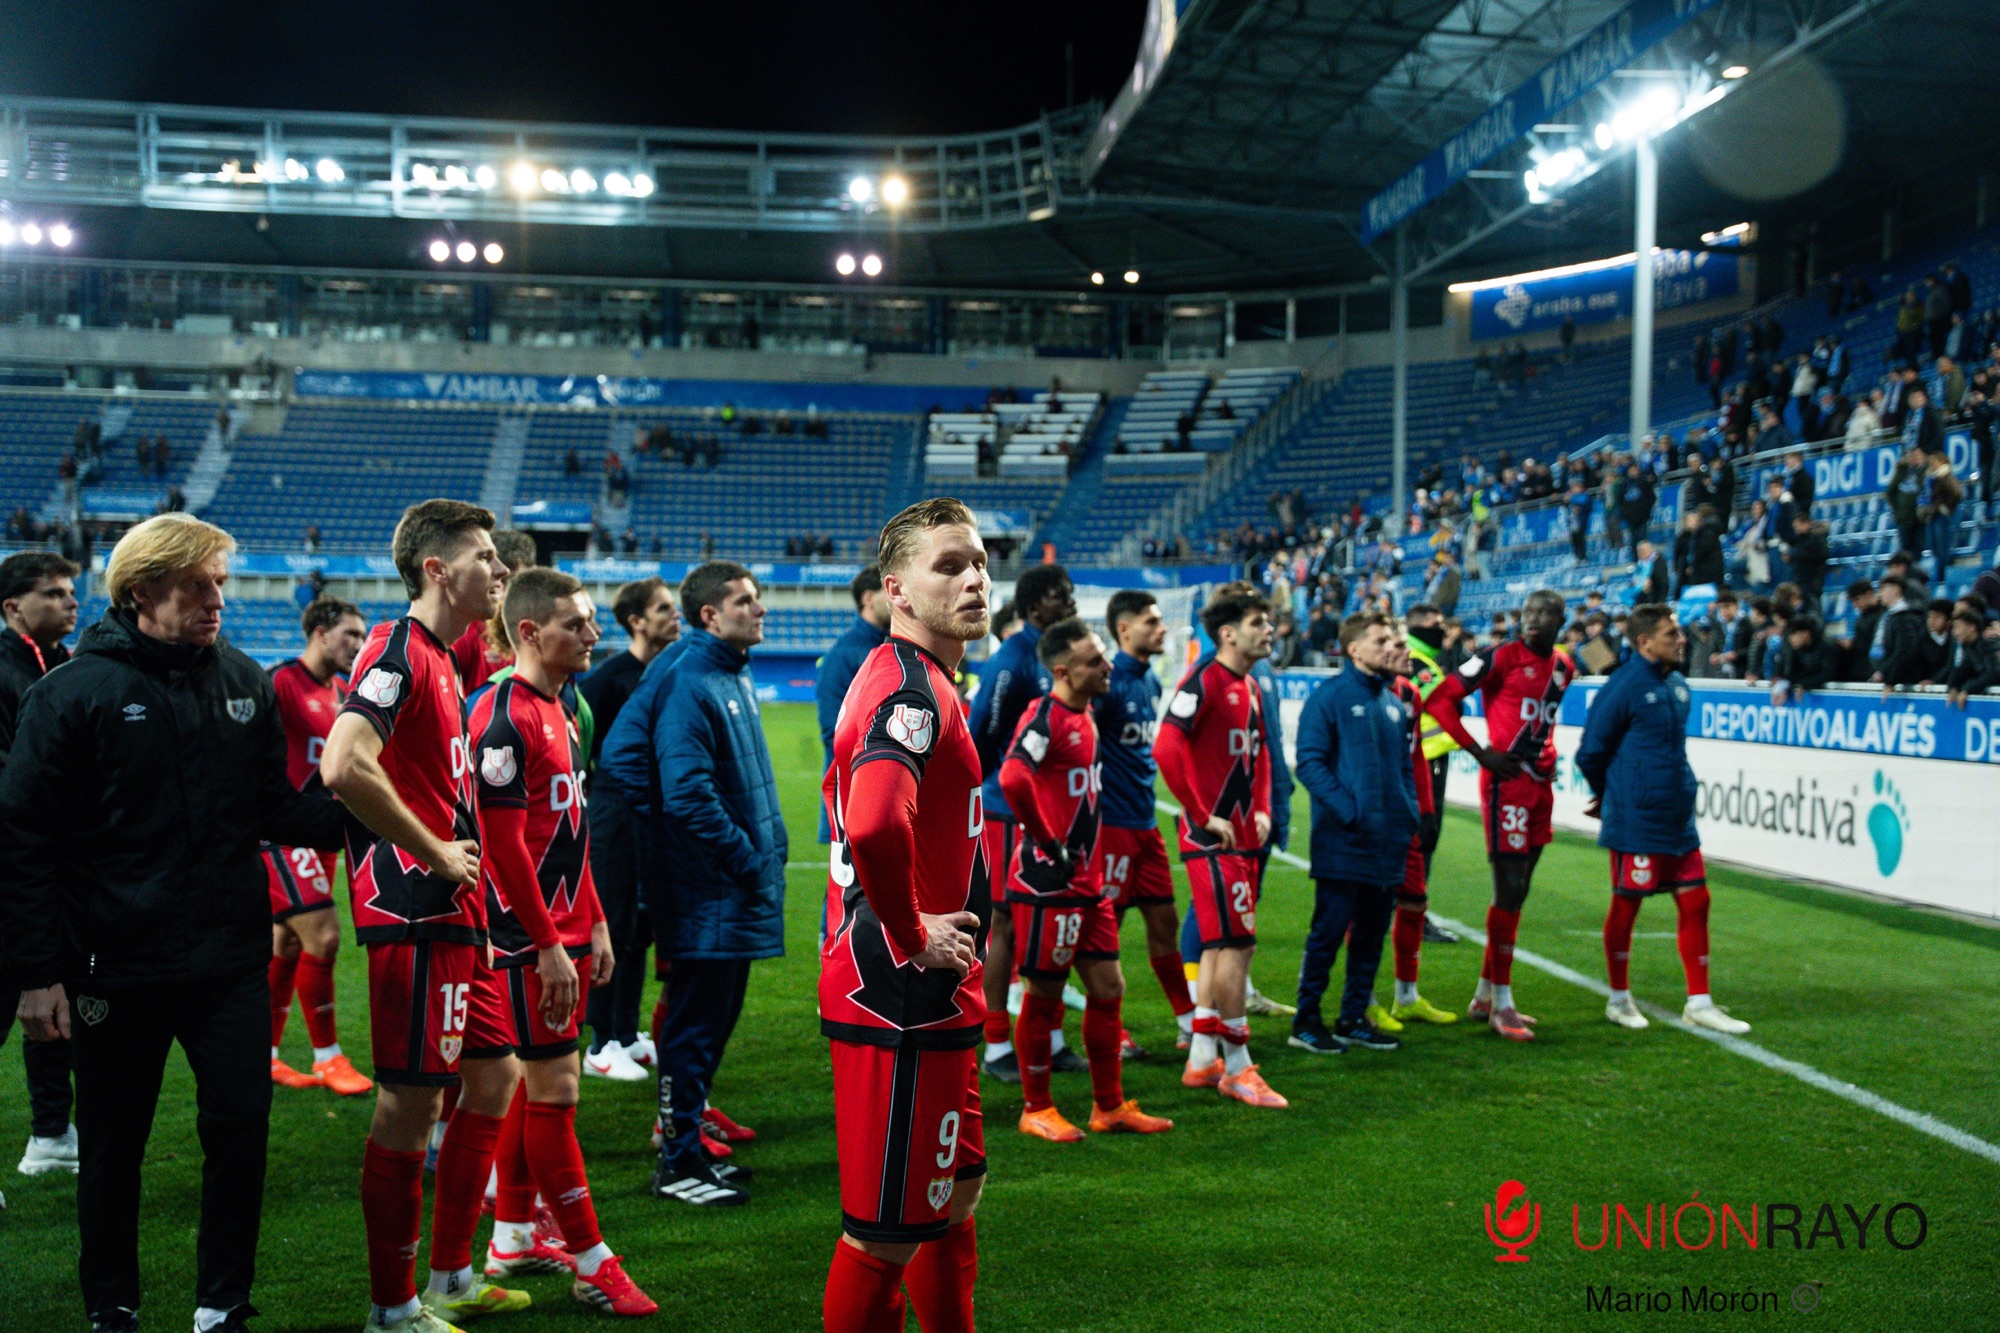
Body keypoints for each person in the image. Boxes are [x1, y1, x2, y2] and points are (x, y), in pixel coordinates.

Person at [0, 514, 345, 1333]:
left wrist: (375, 808)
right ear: (143, 589)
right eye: (199, 584)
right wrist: (38, 972)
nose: (217, 599)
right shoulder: (71, 693)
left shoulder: (242, 679)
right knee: (113, 1145)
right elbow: (23, 841)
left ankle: (222, 1301)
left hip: (227, 958)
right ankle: (111, 1304)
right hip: (109, 964)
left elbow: (271, 806)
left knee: (241, 1126)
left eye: (220, 582)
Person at [318, 499, 512, 1333]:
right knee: (411, 1104)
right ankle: (391, 1309)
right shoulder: (396, 648)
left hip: (457, 911)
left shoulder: (443, 656)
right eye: (484, 556)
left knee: (497, 1073)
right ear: (437, 569)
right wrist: (435, 849)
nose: (500, 570)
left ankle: (454, 1275)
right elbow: (342, 763)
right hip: (415, 908)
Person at [818, 499, 991, 1333]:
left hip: (937, 992)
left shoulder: (925, 679)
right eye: (949, 564)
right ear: (898, 590)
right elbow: (876, 820)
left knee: (952, 1198)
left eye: (980, 563)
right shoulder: (910, 689)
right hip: (900, 995)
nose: (974, 578)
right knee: (882, 1235)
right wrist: (914, 932)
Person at [463, 567, 656, 1314]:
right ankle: (590, 1258)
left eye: (590, 620)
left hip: (567, 930)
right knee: (556, 1090)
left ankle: (511, 1236)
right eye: (576, 623)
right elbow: (504, 848)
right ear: (529, 631)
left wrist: (597, 920)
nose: (593, 633)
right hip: (521, 940)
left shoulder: (568, 705)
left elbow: (569, 834)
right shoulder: (502, 714)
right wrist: (548, 944)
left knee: (531, 1087)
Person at [644, 562, 787, 1206]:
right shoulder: (694, 681)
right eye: (745, 602)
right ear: (710, 615)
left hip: (733, 893)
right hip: (711, 893)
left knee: (712, 1028)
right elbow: (689, 797)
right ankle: (676, 1164)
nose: (759, 610)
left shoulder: (730, 673)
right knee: (692, 1033)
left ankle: (693, 1150)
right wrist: (749, 860)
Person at [1000, 617, 1172, 1141]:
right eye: (1095, 660)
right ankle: (1036, 1107)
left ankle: (1109, 1106)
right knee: (1044, 994)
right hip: (1049, 884)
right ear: (1063, 670)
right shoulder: (1047, 716)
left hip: (1088, 884)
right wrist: (1048, 842)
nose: (1108, 665)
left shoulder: (1086, 713)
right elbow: (1011, 776)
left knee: (1109, 986)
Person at [1577, 604, 1750, 1036]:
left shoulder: (1678, 684)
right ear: (1644, 642)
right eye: (1671, 633)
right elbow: (1590, 752)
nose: (1681, 639)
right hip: (1636, 818)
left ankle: (1700, 1002)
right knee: (1626, 905)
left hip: (1677, 818)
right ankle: (1618, 999)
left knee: (1696, 901)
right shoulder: (1623, 685)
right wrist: (1609, 794)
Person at [1424, 589, 1577, 1042]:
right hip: (1505, 786)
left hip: (1541, 785)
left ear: (1560, 619)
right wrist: (1477, 751)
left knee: (1520, 890)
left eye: (1543, 613)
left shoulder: (1565, 666)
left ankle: (1484, 994)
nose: (1532, 619)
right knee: (1508, 888)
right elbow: (1438, 700)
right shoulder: (1497, 658)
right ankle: (1503, 1003)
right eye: (1526, 612)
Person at [1154, 587, 1284, 1108]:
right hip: (1213, 840)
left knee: (1216, 944)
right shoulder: (1203, 679)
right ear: (1229, 633)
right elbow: (1166, 746)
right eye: (1259, 622)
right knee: (1237, 945)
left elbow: (1263, 755)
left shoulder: (1249, 685)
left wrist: (1265, 807)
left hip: (1242, 836)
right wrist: (1200, 813)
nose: (1269, 629)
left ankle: (1202, 1056)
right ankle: (1238, 1066)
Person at [1289, 610, 1422, 1054]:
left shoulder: (1390, 702)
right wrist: (1352, 812)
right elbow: (1309, 762)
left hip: (1387, 842)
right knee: (1327, 934)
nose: (1392, 647)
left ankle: (1351, 1018)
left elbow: (1404, 767)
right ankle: (1306, 1020)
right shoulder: (1329, 697)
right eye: (1382, 640)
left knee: (1370, 935)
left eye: (1393, 639)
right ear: (1354, 649)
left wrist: (1408, 813)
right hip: (1343, 842)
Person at [967, 563, 1077, 1082]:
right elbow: (981, 733)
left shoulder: (1057, 658)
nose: (1072, 603)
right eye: (1062, 596)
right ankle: (994, 1046)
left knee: (1053, 924)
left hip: (1053, 815)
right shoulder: (1011, 660)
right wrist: (996, 783)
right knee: (1005, 927)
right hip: (1007, 813)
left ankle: (1051, 1039)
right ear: (1035, 607)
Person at [265, 596, 375, 1097]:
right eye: (349, 634)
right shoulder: (281, 683)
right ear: (319, 633)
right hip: (282, 832)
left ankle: (262, 1055)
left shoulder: (342, 691)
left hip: (321, 832)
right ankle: (328, 1057)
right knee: (325, 934)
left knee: (287, 942)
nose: (357, 644)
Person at [576, 577, 681, 1075]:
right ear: (636, 621)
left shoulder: (665, 671)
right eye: (663, 609)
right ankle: (600, 1045)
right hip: (614, 814)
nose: (674, 615)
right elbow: (576, 736)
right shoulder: (609, 677)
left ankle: (626, 1031)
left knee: (640, 926)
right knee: (613, 922)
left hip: (650, 813)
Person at [0, 551, 80, 1178]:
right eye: (54, 594)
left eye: (71, 591)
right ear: (12, 608)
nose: (70, 602)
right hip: (11, 871)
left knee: (54, 1006)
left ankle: (52, 1133)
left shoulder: (67, 668)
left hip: (57, 875)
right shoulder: (3, 674)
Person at [1092, 591, 1195, 1052]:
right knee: (1105, 931)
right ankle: (1112, 1030)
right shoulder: (1106, 685)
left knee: (1164, 921)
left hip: (1144, 825)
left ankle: (1189, 1021)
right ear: (1124, 630)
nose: (1162, 628)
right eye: (1151, 621)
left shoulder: (1150, 683)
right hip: (1111, 826)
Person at [815, 564, 891, 844]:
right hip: (854, 797)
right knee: (849, 887)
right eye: (889, 591)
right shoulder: (843, 654)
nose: (897, 598)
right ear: (868, 598)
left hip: (889, 793)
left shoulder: (895, 646)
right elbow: (832, 732)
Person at [452, 528, 539, 693]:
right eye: (497, 579)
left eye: (513, 580)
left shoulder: (543, 635)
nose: (503, 591)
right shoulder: (464, 634)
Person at [1866, 575, 1927, 692]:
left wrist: (1890, 679)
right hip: (1883, 676)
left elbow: (1904, 651)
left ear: (1896, 590)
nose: (1880, 593)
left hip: (1901, 681)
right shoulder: (1887, 616)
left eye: (1883, 589)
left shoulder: (1905, 617)